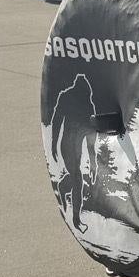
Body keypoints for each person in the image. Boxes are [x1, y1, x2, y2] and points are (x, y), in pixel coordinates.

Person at [49, 74, 96, 232]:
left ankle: (63, 187)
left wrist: (93, 161)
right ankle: (77, 220)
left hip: (76, 147)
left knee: (75, 177)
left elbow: (91, 137)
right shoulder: (67, 98)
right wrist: (53, 145)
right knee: (78, 180)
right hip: (67, 145)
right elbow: (56, 121)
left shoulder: (87, 104)